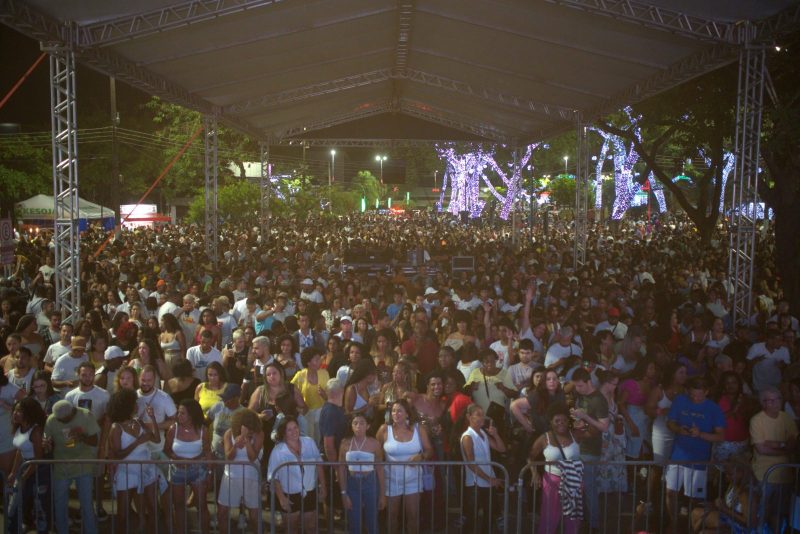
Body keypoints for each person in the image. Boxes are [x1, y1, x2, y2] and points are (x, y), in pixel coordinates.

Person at [665, 376, 725, 522]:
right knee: (670, 492)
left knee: (694, 498)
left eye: (699, 395)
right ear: (687, 391)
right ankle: (674, 525)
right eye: (692, 394)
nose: (695, 398)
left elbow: (720, 436)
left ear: (707, 392)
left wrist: (700, 434)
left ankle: (692, 526)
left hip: (699, 458)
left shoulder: (714, 409)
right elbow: (670, 423)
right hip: (678, 454)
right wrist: (679, 429)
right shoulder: (680, 400)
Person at [376, 398, 434, 534]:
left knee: (413, 516)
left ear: (407, 413)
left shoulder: (419, 429)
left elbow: (429, 450)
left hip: (413, 479)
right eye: (393, 411)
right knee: (392, 516)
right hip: (391, 479)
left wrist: (421, 456)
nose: (396, 414)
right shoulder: (384, 429)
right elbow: (376, 453)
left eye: (399, 411)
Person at [107, 389, 160, 534]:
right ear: (126, 406)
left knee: (150, 509)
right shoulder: (116, 428)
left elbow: (156, 439)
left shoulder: (139, 421)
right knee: (122, 514)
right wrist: (137, 442)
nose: (137, 405)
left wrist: (153, 418)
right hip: (126, 473)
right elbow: (118, 455)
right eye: (134, 403)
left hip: (146, 471)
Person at [45, 400, 100, 534]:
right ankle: (62, 531)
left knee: (86, 503)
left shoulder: (86, 415)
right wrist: (46, 445)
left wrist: (82, 437)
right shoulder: (52, 420)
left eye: (65, 420)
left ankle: (91, 531)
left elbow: (95, 441)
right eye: (60, 420)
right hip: (61, 465)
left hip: (83, 463)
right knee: (60, 503)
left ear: (72, 413)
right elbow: (47, 441)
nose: (62, 422)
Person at [529, 402, 582, 534]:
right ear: (551, 422)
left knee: (573, 518)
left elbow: (594, 431)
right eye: (557, 420)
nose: (561, 423)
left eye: (564, 420)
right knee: (549, 517)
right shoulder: (544, 438)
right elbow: (530, 457)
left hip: (573, 482)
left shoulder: (576, 435)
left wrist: (582, 418)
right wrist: (534, 473)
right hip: (552, 482)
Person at [268, 416, 327, 534]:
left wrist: (323, 487)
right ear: (283, 433)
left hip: (310, 491)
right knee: (291, 529)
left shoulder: (309, 442)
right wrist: (281, 498)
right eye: (289, 429)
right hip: (289, 495)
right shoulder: (278, 451)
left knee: (311, 527)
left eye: (295, 427)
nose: (294, 431)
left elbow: (319, 465)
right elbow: (273, 477)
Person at [750, 386, 797, 532]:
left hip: (785, 475)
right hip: (764, 475)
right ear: (763, 403)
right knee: (761, 513)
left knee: (780, 514)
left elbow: (793, 444)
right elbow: (761, 449)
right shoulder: (757, 420)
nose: (775, 403)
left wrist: (775, 444)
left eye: (778, 399)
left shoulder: (787, 418)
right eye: (770, 400)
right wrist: (784, 447)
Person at [569, 367, 609, 533]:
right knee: (579, 487)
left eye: (580, 386)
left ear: (588, 382)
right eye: (576, 386)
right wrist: (576, 418)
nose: (577, 389)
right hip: (579, 446)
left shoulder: (599, 400)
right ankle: (582, 521)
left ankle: (593, 525)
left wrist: (584, 417)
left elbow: (604, 426)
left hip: (591, 449)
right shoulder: (581, 396)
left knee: (590, 488)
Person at [164, 398, 211, 534]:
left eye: (182, 413)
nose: (179, 416)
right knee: (178, 506)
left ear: (191, 415)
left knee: (201, 505)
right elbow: (167, 449)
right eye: (179, 413)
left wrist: (209, 472)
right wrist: (177, 459)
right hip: (176, 470)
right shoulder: (173, 428)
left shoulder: (203, 430)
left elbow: (207, 451)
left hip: (198, 470)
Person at [460, 403, 506, 534]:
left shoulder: (483, 434)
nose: (482, 418)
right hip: (475, 483)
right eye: (478, 415)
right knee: (471, 518)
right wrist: (489, 479)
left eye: (483, 415)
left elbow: (501, 448)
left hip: (487, 481)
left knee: (489, 515)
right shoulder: (467, 436)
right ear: (469, 417)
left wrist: (496, 434)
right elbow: (471, 463)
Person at [337, 412, 387, 534]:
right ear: (351, 426)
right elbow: (341, 469)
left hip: (370, 482)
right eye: (355, 423)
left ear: (367, 426)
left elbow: (379, 469)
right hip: (352, 483)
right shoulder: (345, 443)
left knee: (372, 520)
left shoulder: (374, 443)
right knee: (354, 521)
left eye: (362, 423)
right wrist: (343, 493)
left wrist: (382, 494)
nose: (358, 426)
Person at [217, 408, 264, 534]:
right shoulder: (229, 433)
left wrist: (246, 440)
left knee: (254, 516)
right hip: (230, 477)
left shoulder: (259, 434)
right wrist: (235, 446)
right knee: (222, 512)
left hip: (251, 479)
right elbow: (229, 457)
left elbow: (252, 457)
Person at [7, 397, 50, 534]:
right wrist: (14, 473)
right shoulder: (20, 427)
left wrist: (23, 477)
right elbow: (20, 451)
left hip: (38, 471)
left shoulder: (35, 431)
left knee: (40, 507)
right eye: (15, 410)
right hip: (26, 467)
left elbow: (38, 459)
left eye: (19, 411)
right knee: (15, 505)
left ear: (28, 412)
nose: (15, 413)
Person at [291, 346, 329, 443]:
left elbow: (331, 397)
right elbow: (290, 389)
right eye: (316, 359)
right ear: (308, 362)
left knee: (319, 438)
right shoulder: (300, 375)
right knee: (308, 439)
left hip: (322, 412)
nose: (320, 361)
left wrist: (325, 395)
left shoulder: (325, 373)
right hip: (306, 413)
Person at [0, 363, 25, 477]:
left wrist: (6, 406)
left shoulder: (9, 388)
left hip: (6, 437)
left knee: (6, 473)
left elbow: (27, 406)